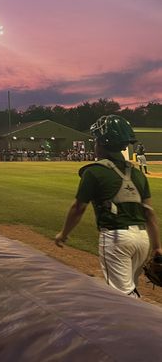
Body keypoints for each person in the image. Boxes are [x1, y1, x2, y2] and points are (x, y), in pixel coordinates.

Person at [55, 115, 162, 297]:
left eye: (96, 140)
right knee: (131, 289)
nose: (94, 144)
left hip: (116, 238)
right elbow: (149, 214)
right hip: (142, 240)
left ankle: (138, 325)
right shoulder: (137, 174)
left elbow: (78, 208)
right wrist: (157, 247)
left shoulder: (94, 171)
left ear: (102, 142)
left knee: (121, 297)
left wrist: (63, 234)